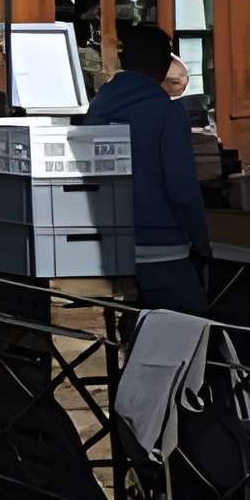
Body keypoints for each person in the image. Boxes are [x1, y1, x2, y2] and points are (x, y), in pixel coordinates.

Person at [87, 21, 209, 312]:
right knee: (187, 334)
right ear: (165, 65)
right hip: (162, 249)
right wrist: (202, 241)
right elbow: (182, 190)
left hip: (108, 247)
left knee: (137, 334)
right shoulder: (166, 112)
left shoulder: (97, 108)